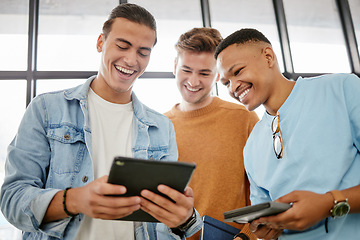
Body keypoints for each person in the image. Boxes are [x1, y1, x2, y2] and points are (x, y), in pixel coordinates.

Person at [0, 3, 202, 240]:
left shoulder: (161, 128)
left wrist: (184, 220)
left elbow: (167, 226)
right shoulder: (46, 109)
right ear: (100, 43)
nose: (131, 59)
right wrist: (73, 200)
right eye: (122, 45)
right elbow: (12, 200)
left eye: (142, 52)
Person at [214, 28, 360, 240]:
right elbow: (264, 221)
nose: (233, 87)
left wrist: (330, 203)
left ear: (268, 57)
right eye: (226, 83)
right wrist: (264, 231)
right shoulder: (252, 146)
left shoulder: (342, 90)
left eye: (237, 72)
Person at [164, 27, 259, 240]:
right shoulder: (160, 127)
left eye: (204, 73)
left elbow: (263, 192)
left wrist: (246, 238)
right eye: (186, 70)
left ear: (217, 74)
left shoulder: (243, 119)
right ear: (174, 67)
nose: (193, 81)